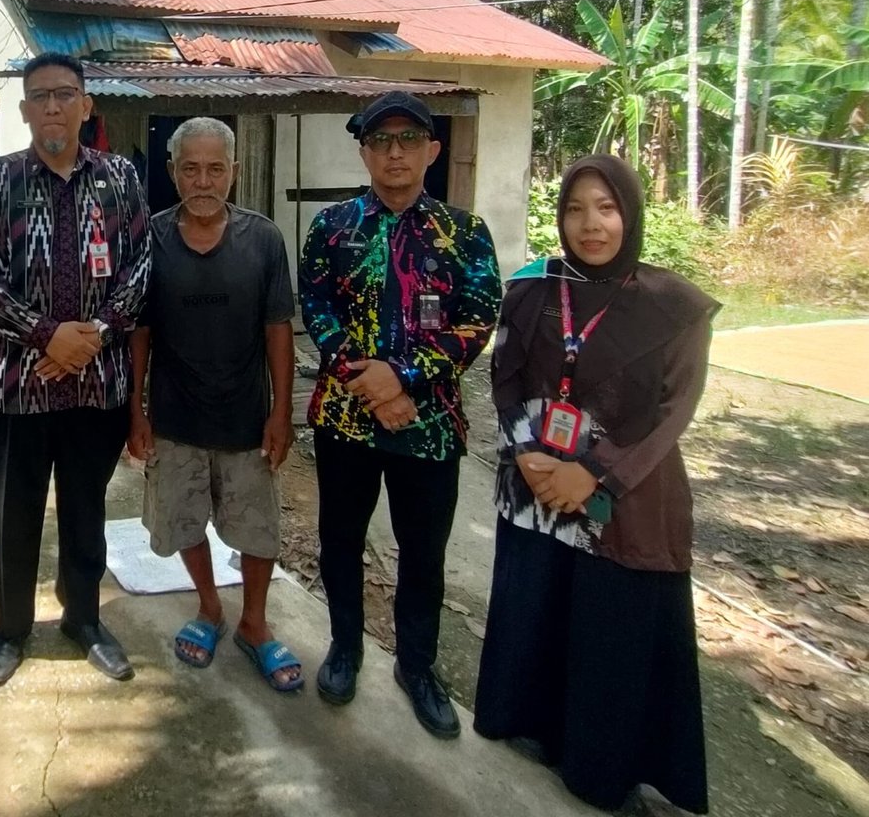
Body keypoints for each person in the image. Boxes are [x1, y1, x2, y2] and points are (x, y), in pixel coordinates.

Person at [474, 155, 716, 814]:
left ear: (630, 215)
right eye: (577, 208)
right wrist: (525, 454)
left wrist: (594, 473)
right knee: (541, 606)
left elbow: (675, 410)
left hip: (622, 499)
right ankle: (531, 726)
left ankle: (598, 767)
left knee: (610, 630)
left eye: (607, 208)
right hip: (535, 487)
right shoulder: (532, 289)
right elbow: (508, 377)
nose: (591, 224)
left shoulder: (673, 307)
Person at [299, 90, 502, 738]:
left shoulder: (464, 234)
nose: (394, 152)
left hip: (430, 425)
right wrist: (368, 384)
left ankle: (417, 667)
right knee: (340, 539)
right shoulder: (331, 227)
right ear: (363, 150)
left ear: (431, 151)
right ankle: (346, 647)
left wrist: (407, 379)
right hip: (346, 418)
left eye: (408, 140)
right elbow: (317, 306)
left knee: (423, 553)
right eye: (381, 141)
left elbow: (478, 321)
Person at [0, 52, 151, 686]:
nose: (52, 107)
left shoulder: (120, 178)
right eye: (39, 96)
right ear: (23, 110)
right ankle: (10, 629)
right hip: (16, 388)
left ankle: (85, 619)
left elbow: (140, 269)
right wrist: (47, 335)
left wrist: (91, 336)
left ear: (86, 105)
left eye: (65, 95)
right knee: (13, 514)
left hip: (96, 387)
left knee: (85, 511)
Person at [127, 118, 301, 691]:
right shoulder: (149, 238)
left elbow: (278, 328)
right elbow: (140, 332)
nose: (203, 180)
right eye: (191, 168)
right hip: (176, 418)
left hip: (245, 417)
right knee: (183, 522)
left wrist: (281, 411)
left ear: (235, 172)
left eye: (216, 168)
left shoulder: (264, 239)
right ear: (173, 171)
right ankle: (209, 607)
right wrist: (137, 408)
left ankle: (254, 622)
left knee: (256, 529)